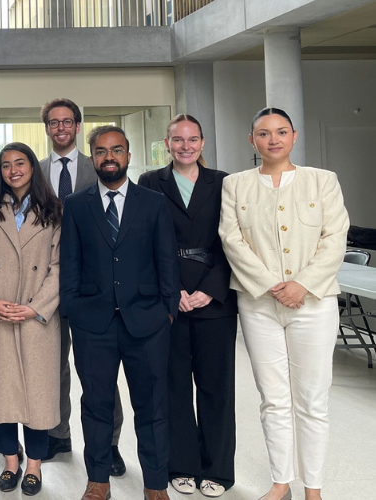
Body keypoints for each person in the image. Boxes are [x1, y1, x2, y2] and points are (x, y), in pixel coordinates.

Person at [219, 108, 349, 500]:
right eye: (263, 133)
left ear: (294, 136)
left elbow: (335, 237)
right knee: (273, 399)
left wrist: (302, 285)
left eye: (280, 132)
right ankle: (281, 482)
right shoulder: (236, 185)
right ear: (252, 141)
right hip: (259, 304)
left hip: (314, 303)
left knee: (311, 399)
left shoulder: (322, 181)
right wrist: (273, 285)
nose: (272, 139)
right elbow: (231, 239)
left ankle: (314, 488)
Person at [60, 125, 179, 500]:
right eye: (100, 151)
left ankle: (156, 484)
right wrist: (72, 310)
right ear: (92, 157)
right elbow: (70, 263)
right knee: (96, 405)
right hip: (92, 323)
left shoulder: (153, 202)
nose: (108, 157)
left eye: (116, 150)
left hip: (147, 321)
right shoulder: (77, 205)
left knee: (152, 406)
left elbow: (166, 262)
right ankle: (98, 480)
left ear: (128, 155)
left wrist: (168, 311)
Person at [139, 114, 238, 498]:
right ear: (167, 144)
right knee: (174, 386)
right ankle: (181, 465)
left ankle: (218, 469)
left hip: (216, 298)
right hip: (170, 300)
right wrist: (173, 288)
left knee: (217, 387)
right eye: (177, 140)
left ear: (202, 143)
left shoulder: (225, 182)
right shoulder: (150, 182)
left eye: (192, 139)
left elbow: (236, 242)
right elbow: (144, 241)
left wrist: (212, 289)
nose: (185, 146)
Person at [0, 142, 63, 496]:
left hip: (35, 317)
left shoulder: (53, 211)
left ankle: (34, 464)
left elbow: (59, 266)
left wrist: (37, 307)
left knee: (37, 396)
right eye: (5, 165)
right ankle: (10, 460)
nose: (13, 170)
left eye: (20, 163)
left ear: (33, 168)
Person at [38, 98, 125, 471]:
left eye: (67, 122)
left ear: (77, 126)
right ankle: (58, 434)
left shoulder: (100, 166)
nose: (61, 128)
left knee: (98, 370)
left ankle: (111, 443)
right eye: (54, 122)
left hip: (94, 285)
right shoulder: (34, 169)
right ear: (47, 128)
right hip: (45, 284)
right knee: (51, 366)